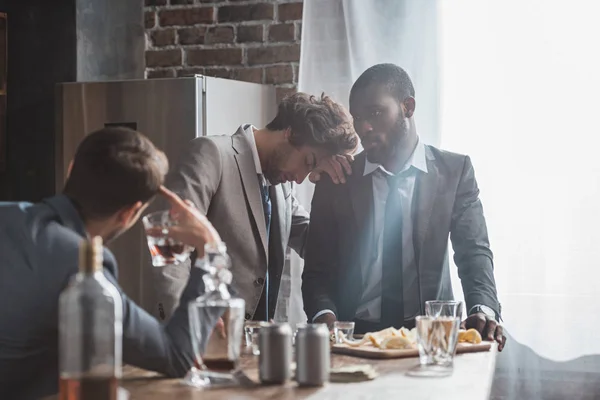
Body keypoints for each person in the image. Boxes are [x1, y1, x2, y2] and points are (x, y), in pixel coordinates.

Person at [0, 127, 223, 399]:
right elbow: (176, 355)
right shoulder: (80, 262)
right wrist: (210, 247)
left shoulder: (7, 213)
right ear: (129, 213)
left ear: (72, 169)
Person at [302, 64, 506, 350]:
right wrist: (324, 316)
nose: (364, 127)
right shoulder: (338, 179)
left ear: (407, 107)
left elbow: (474, 253)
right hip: (354, 339)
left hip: (432, 337)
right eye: (358, 117)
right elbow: (317, 271)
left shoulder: (454, 171)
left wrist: (483, 310)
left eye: (374, 113)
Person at [154, 92, 358, 322]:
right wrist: (185, 324)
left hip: (256, 343)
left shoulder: (282, 186)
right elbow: (169, 248)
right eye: (308, 162)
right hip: (205, 332)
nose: (301, 178)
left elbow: (316, 244)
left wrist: (335, 189)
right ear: (290, 133)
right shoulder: (212, 154)